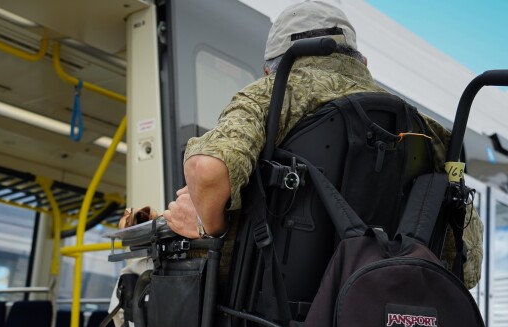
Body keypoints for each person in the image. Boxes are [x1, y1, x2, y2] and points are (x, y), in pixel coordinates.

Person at [164, 0, 483, 290]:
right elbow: (467, 270)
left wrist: (209, 226)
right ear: (363, 63)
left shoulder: (270, 97)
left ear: (268, 70)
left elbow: (207, 172)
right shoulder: (426, 133)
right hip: (382, 324)